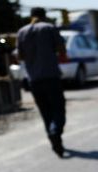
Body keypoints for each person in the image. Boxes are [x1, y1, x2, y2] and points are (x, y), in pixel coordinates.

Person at [17, 7, 67, 158]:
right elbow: (62, 51)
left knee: (46, 113)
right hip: (51, 77)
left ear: (31, 16)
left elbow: (20, 56)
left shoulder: (22, 32)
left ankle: (55, 142)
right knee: (58, 110)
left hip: (34, 80)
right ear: (44, 16)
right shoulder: (49, 28)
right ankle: (55, 132)